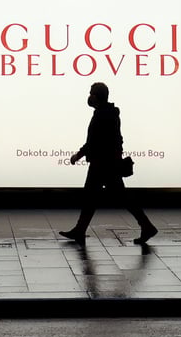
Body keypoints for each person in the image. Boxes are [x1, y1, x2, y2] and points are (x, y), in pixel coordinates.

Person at [60, 82, 158, 244]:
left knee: (98, 197)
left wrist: (78, 155)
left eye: (91, 93)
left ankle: (146, 226)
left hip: (102, 164)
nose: (89, 96)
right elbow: (116, 139)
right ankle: (146, 226)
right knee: (105, 197)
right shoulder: (108, 113)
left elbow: (93, 141)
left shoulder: (102, 115)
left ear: (97, 96)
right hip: (106, 163)